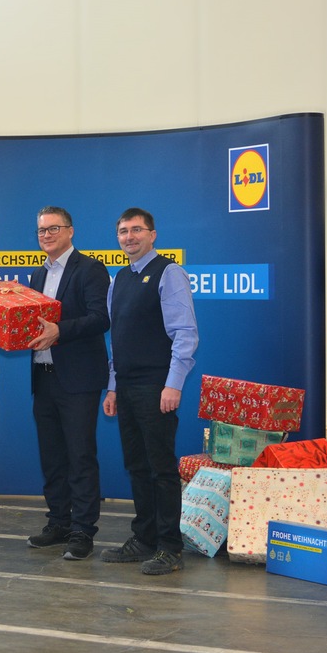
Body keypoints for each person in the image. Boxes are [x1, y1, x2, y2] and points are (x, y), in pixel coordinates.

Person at [101, 207, 198, 575]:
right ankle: (143, 539)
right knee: (137, 466)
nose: (130, 237)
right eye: (123, 231)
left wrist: (173, 384)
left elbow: (185, 334)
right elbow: (118, 341)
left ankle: (170, 547)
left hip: (157, 387)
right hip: (125, 388)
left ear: (153, 234)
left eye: (137, 230)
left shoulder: (169, 273)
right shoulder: (119, 279)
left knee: (161, 469)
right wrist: (112, 387)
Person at [24, 206, 111, 560]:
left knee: (80, 456)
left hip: (78, 380)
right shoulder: (36, 274)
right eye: (41, 230)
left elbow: (100, 318)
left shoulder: (90, 269)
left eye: (53, 229)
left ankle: (82, 531)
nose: (46, 235)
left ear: (70, 231)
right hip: (43, 378)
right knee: (53, 458)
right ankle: (58, 522)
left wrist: (60, 331)